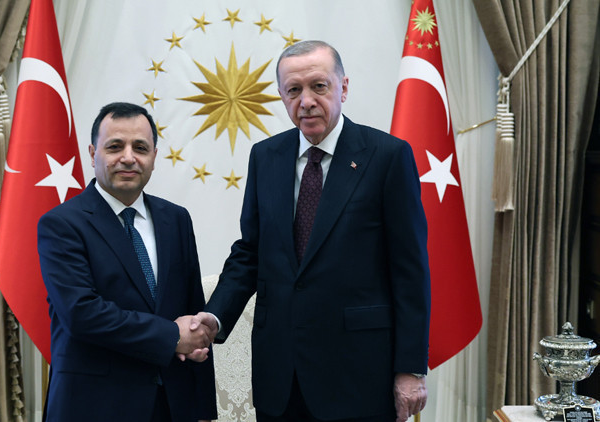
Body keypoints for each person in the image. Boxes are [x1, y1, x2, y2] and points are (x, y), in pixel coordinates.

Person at [194, 40, 431, 422]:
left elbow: (410, 270)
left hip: (359, 375)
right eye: (293, 90)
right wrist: (215, 316)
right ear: (281, 95)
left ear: (343, 87)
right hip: (280, 377)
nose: (306, 101)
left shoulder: (387, 156)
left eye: (318, 86)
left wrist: (410, 368)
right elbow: (251, 253)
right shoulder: (265, 156)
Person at [37, 102, 217, 421]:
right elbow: (81, 314)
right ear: (92, 153)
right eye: (115, 146)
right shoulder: (61, 224)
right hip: (94, 407)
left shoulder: (176, 219)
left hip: (173, 405)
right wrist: (171, 336)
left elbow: (193, 311)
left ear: (154, 157)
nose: (129, 157)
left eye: (140, 148)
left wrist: (203, 409)